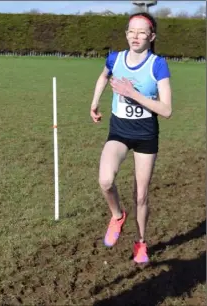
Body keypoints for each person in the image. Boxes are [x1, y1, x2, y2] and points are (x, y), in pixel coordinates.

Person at [90, 12, 172, 264]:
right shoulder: (115, 58)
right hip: (119, 132)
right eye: (131, 31)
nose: (135, 36)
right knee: (105, 180)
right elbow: (104, 75)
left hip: (146, 136)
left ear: (152, 36)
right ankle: (117, 215)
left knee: (141, 195)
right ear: (126, 34)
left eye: (142, 32)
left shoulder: (157, 64)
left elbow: (166, 110)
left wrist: (132, 93)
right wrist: (94, 103)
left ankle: (141, 242)